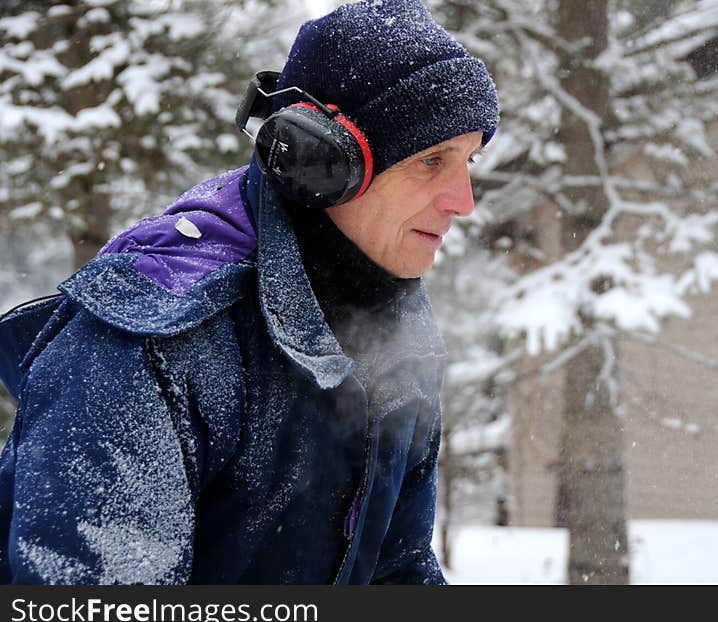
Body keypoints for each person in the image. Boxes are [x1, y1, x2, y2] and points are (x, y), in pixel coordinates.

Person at [0, 0, 498, 584]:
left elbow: (398, 570)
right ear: (319, 163)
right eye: (431, 160)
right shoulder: (150, 344)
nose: (463, 200)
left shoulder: (394, 325)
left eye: (468, 161)